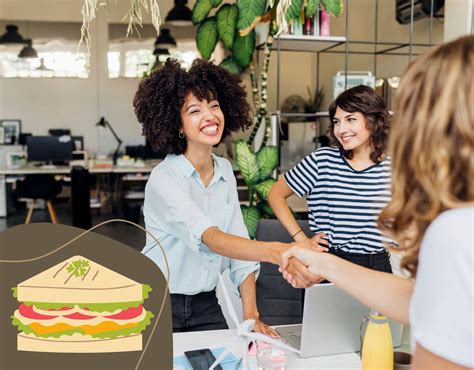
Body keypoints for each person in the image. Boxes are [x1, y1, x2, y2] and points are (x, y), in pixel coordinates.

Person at [281, 35, 474, 370]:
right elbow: (425, 304)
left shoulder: (456, 230)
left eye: (417, 109)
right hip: (337, 262)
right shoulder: (457, 222)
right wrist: (319, 259)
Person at [133, 58, 317, 334]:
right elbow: (212, 239)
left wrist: (251, 316)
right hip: (158, 303)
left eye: (214, 106)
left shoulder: (224, 171)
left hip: (206, 304)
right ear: (178, 125)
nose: (210, 116)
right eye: (194, 110)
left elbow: (239, 246)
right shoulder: (165, 179)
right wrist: (278, 250)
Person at [268, 85, 393, 284]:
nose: (341, 129)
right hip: (328, 263)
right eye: (336, 122)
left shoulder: (394, 167)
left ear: (374, 120)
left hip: (377, 265)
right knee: (325, 317)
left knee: (376, 317)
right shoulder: (323, 160)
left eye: (351, 119)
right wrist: (302, 239)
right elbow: (275, 194)